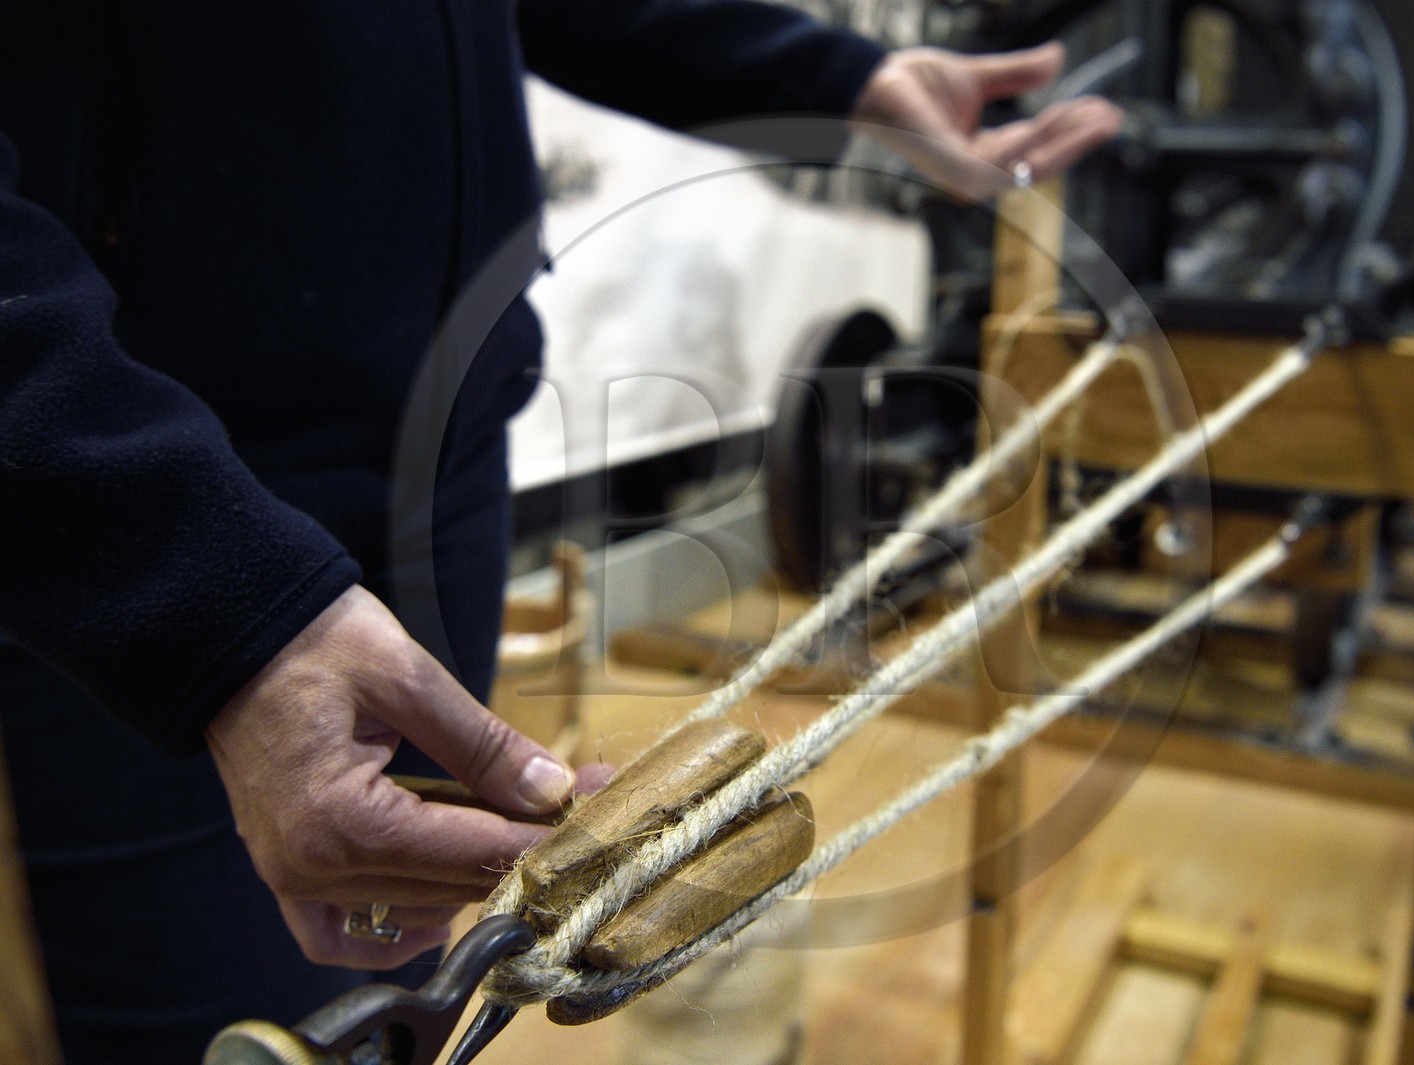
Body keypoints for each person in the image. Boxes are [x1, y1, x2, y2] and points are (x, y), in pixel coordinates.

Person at [0, 2, 1121, 1061]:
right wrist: (205, 599)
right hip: (143, 527)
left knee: (396, 977)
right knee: (230, 1006)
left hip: (442, 470)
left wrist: (843, 77)